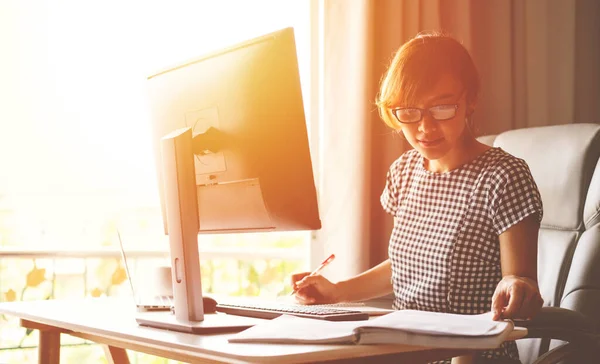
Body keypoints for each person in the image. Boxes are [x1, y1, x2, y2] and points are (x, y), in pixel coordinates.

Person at [290, 31, 544, 364]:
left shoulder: (503, 176)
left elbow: (518, 281)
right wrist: (337, 291)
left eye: (441, 108)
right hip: (402, 352)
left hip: (473, 355)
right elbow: (406, 265)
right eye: (408, 112)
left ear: (471, 100)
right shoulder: (404, 171)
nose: (424, 127)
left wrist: (517, 287)